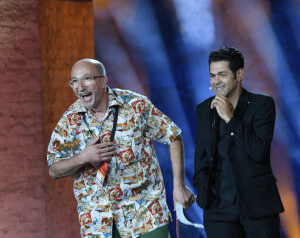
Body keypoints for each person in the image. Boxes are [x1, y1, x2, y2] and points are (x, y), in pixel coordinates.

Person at [47, 58, 194, 238]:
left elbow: (173, 136)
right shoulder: (69, 121)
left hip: (145, 214)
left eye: (86, 79)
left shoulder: (135, 105)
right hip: (98, 223)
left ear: (103, 80)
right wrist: (83, 157)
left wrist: (179, 186)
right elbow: (54, 170)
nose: (80, 86)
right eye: (74, 81)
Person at [193, 47, 284, 238]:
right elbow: (201, 157)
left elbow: (259, 151)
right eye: (212, 75)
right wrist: (204, 196)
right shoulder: (204, 110)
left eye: (222, 74)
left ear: (239, 74)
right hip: (219, 208)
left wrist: (230, 118)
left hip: (258, 205)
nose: (216, 81)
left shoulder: (262, 105)